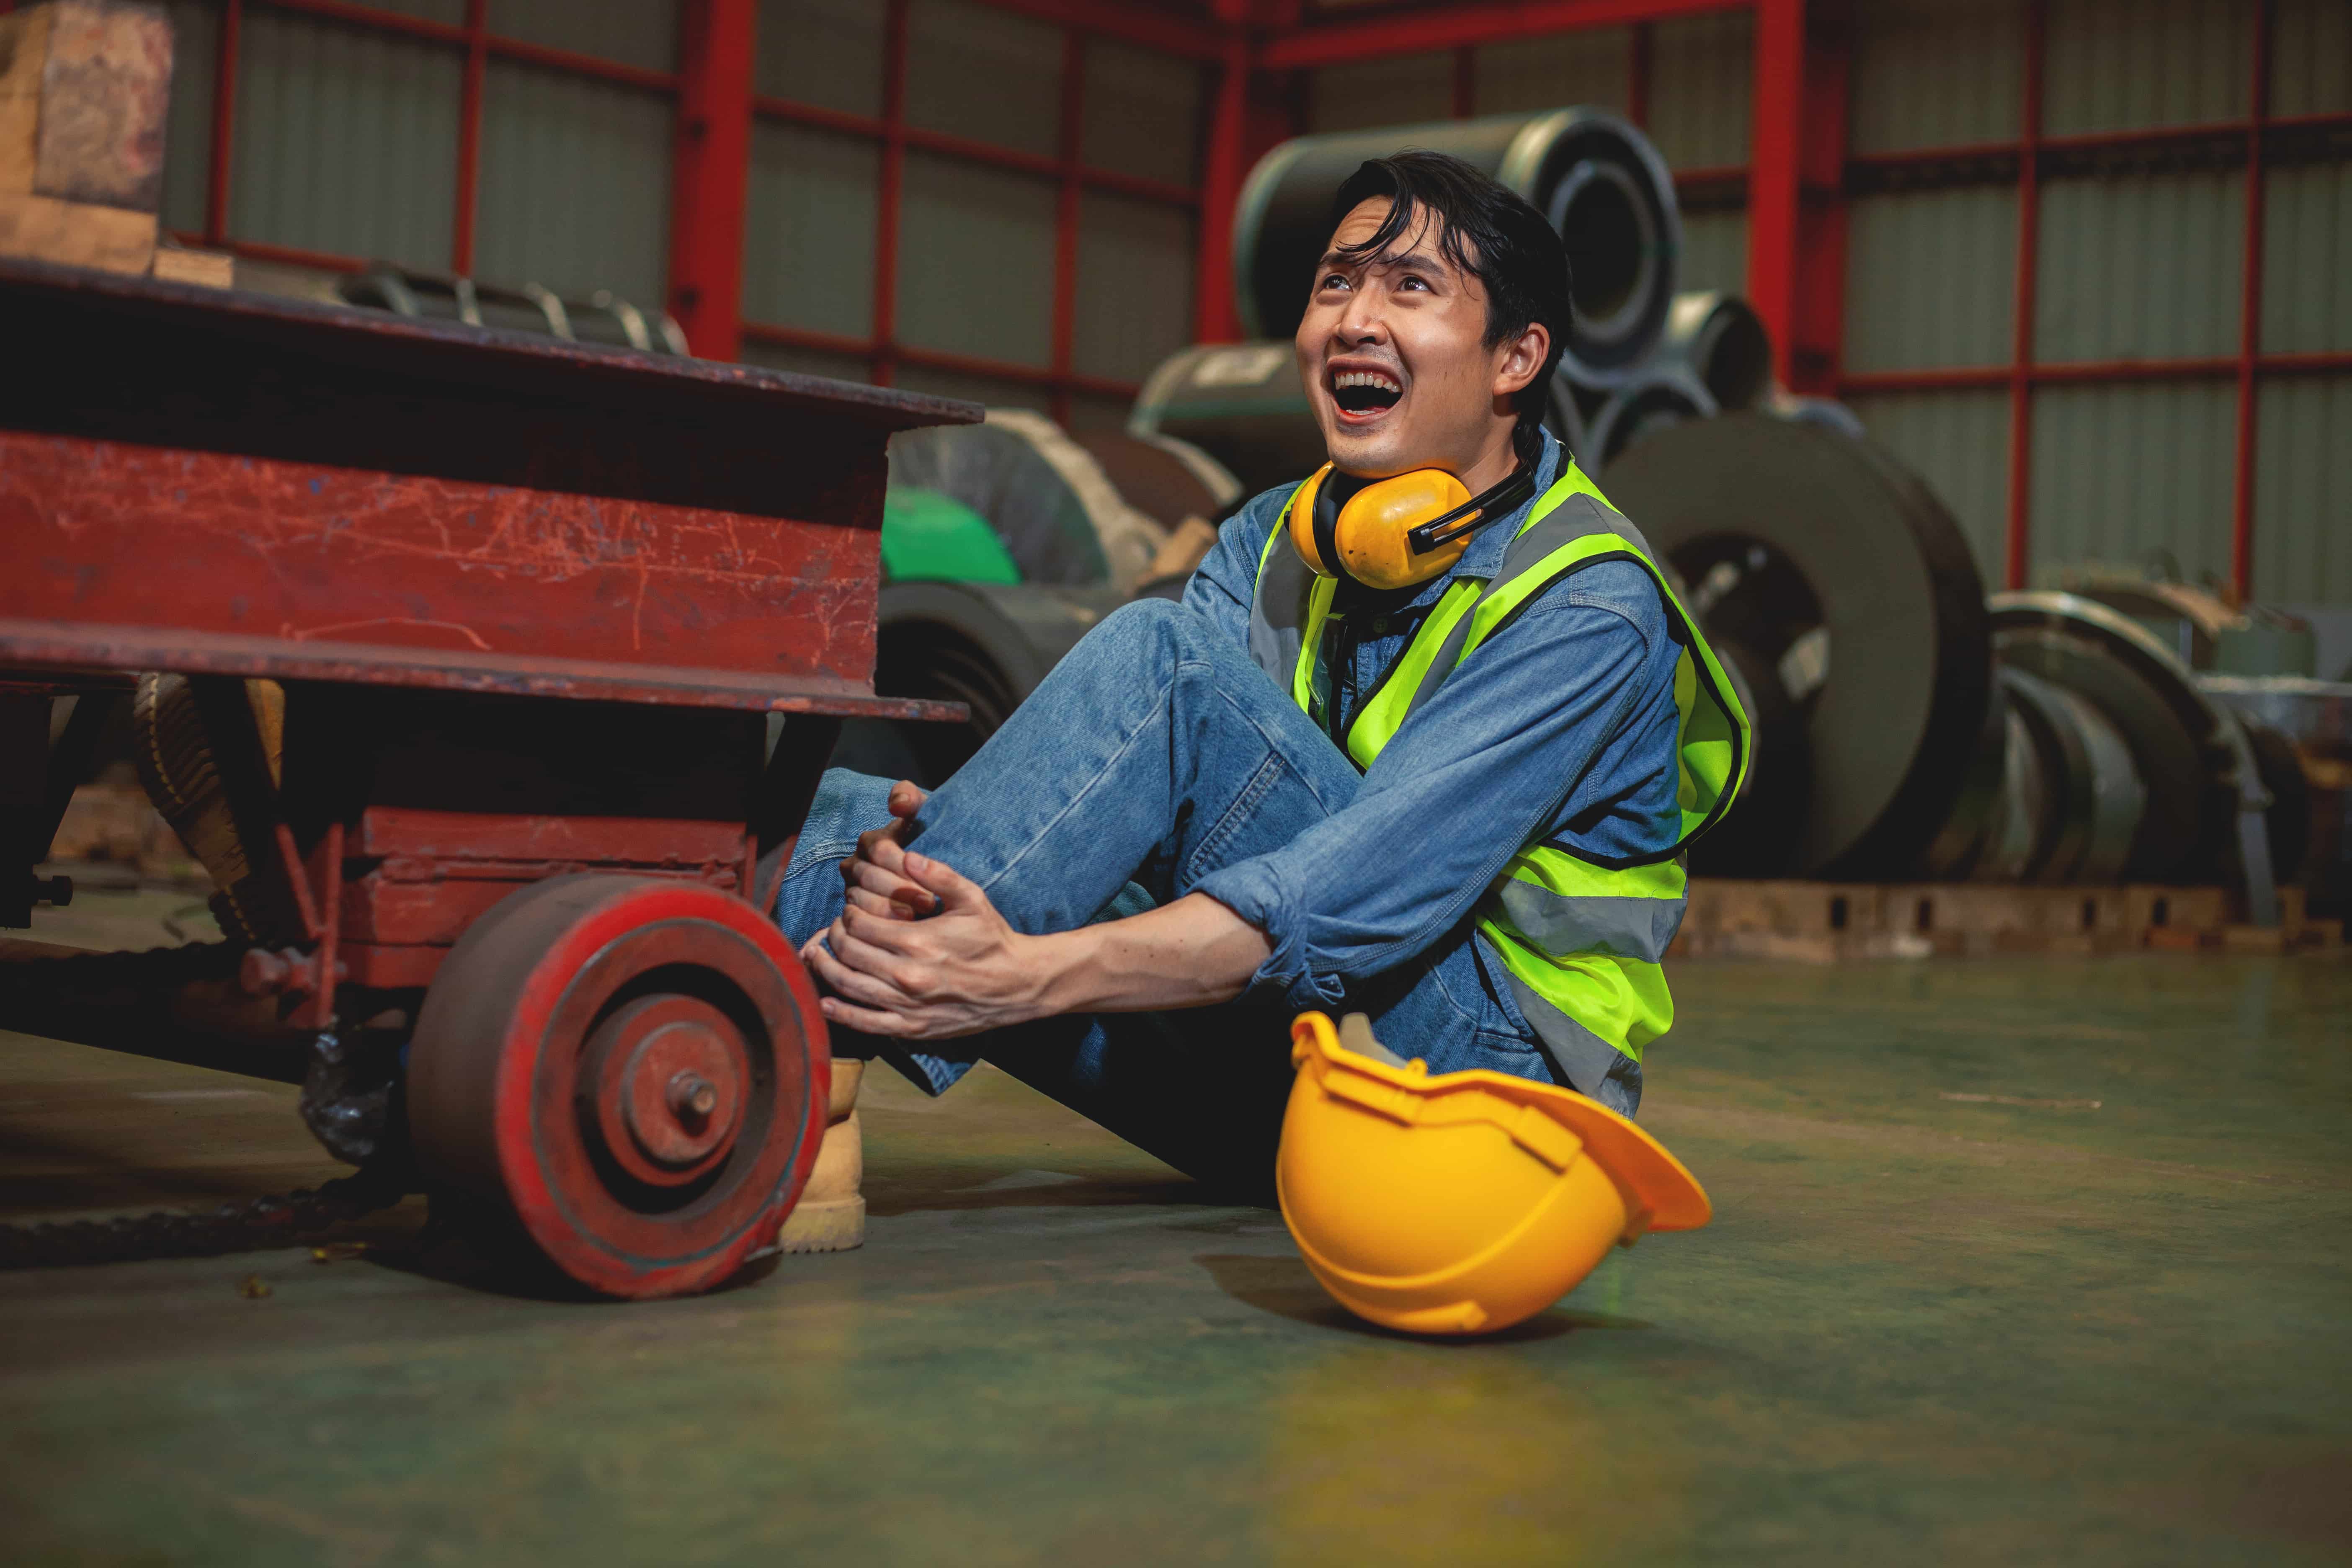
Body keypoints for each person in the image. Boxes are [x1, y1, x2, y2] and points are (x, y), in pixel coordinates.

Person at [774, 149, 1746, 1201]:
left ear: (1517, 358)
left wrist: (1023, 976)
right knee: (839, 823)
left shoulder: (1587, 607)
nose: (1354, 320)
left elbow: (1354, 897)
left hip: (1494, 1102)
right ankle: (745, 1028)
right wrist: (963, 855)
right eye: (1336, 283)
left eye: (1409, 286)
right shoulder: (1272, 540)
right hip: (1296, 1046)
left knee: (1163, 668)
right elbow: (1151, 819)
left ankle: (818, 1068)